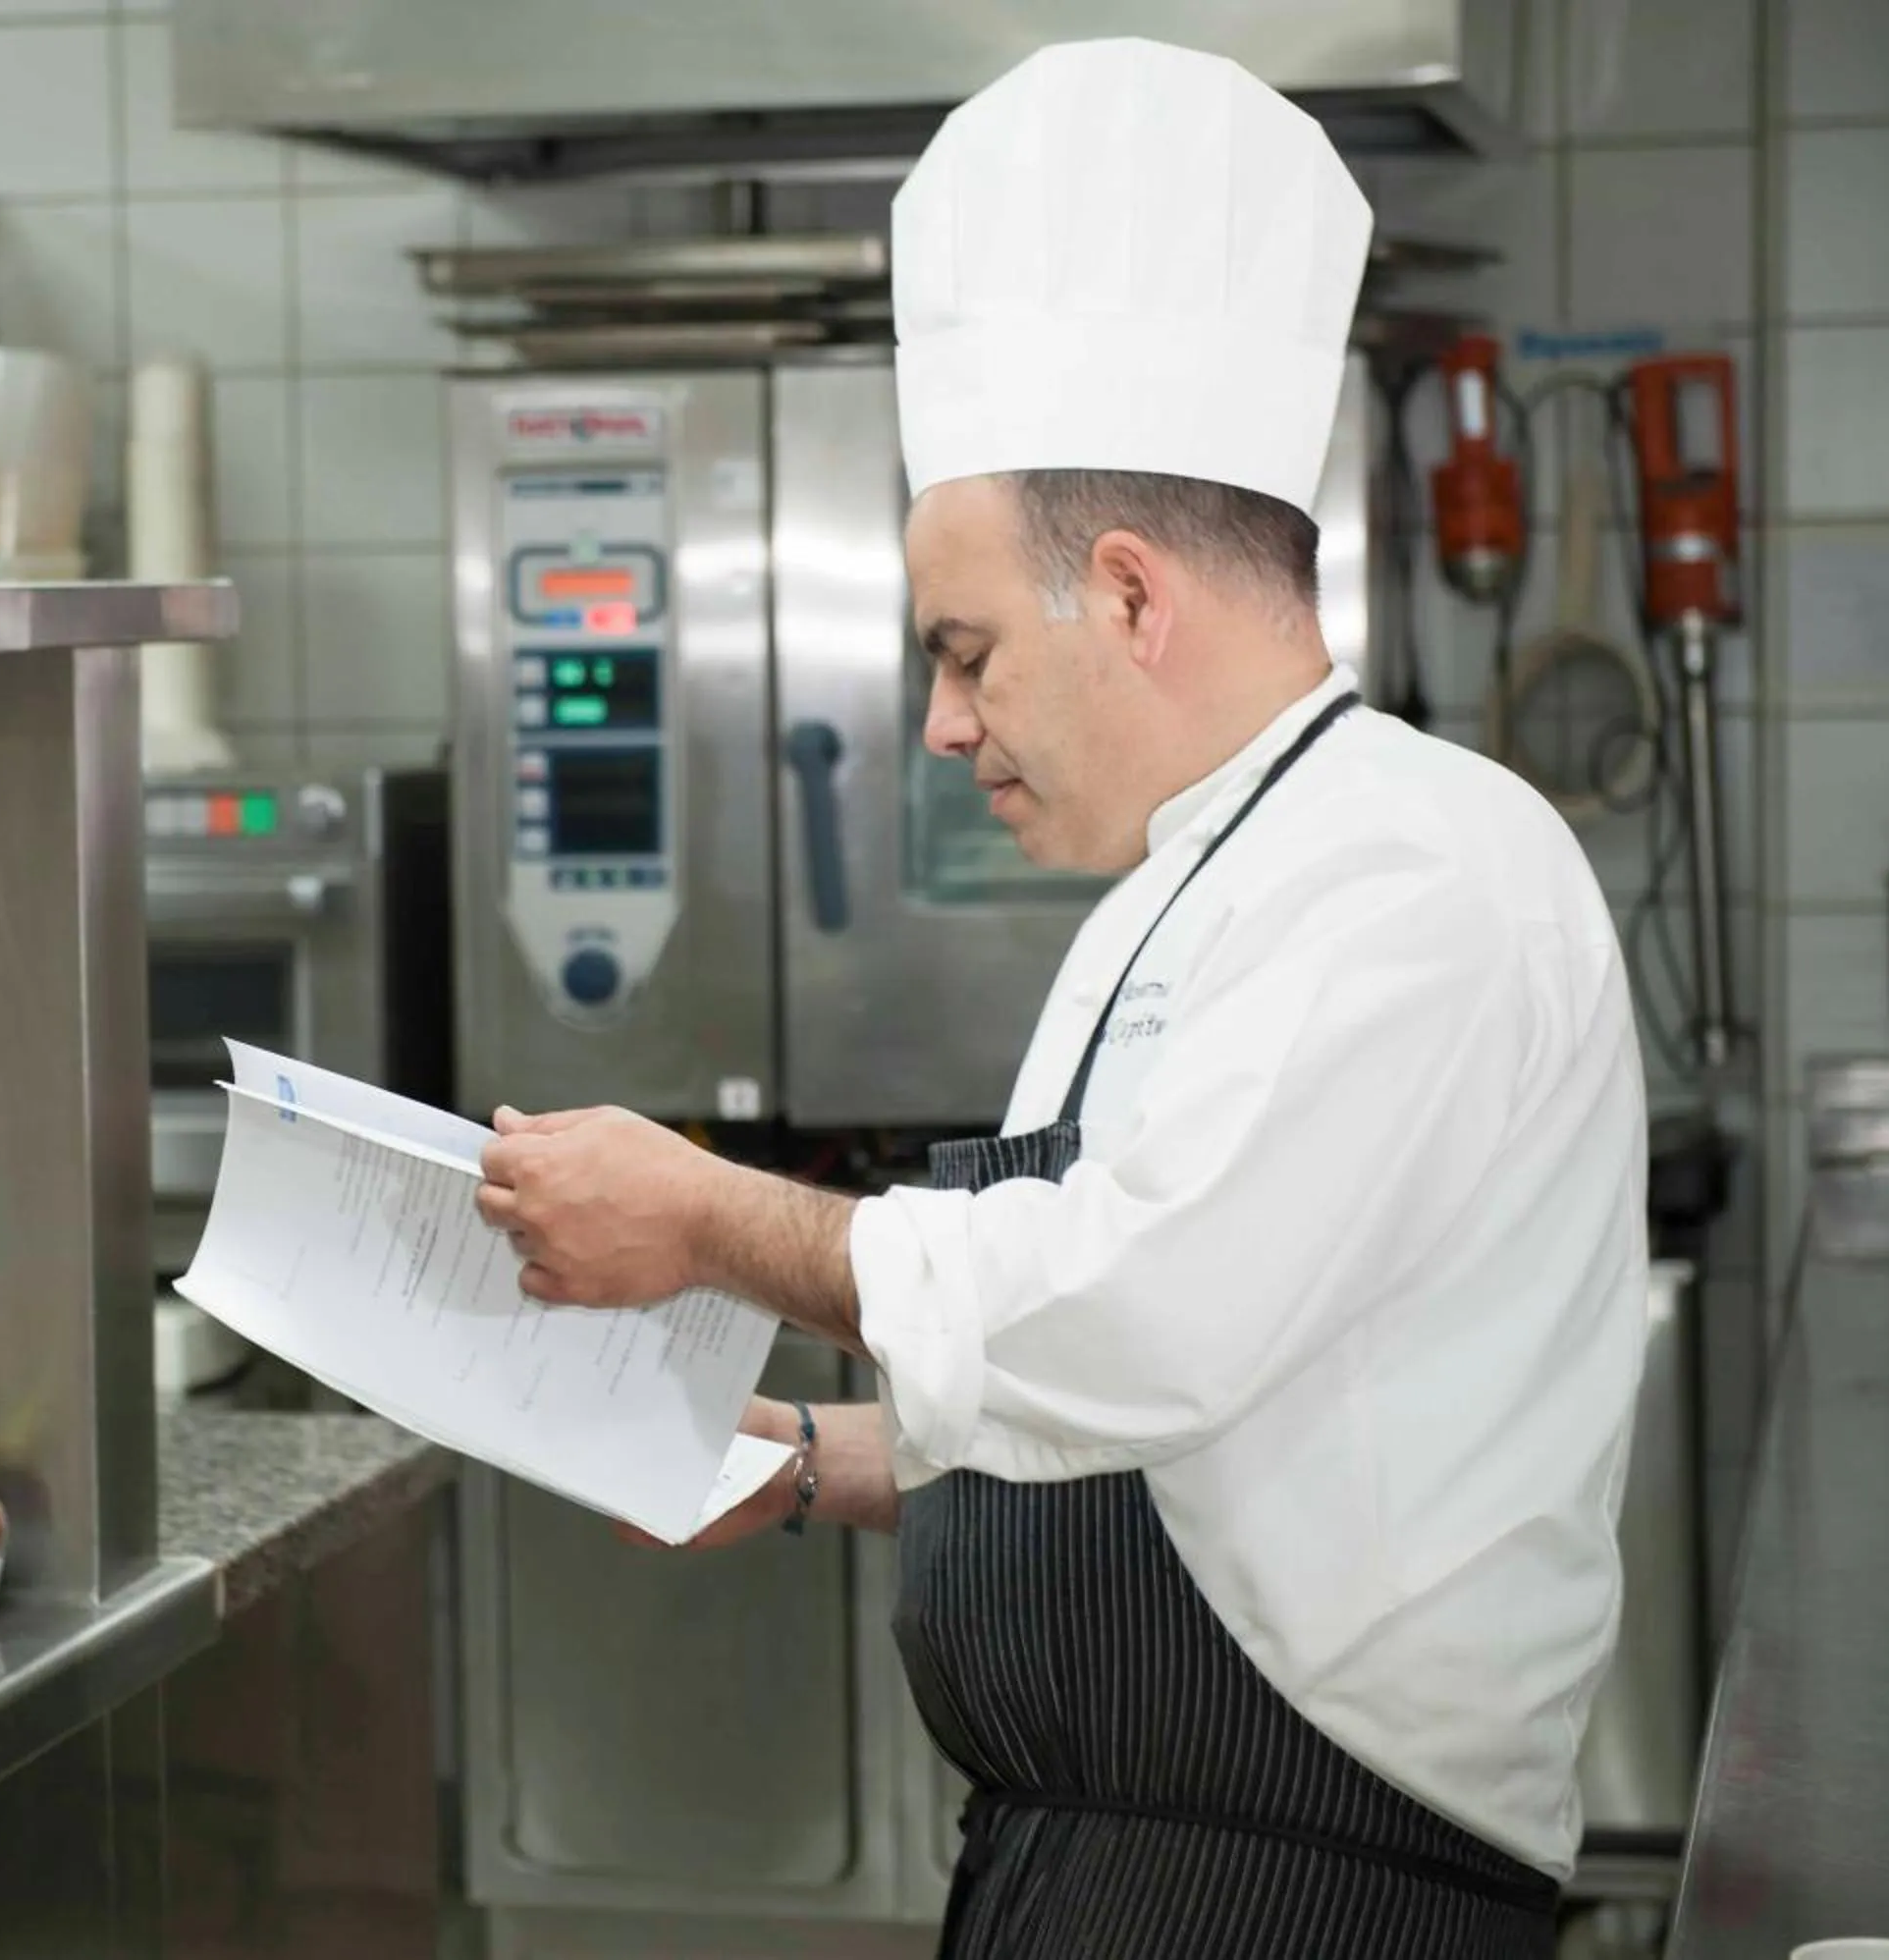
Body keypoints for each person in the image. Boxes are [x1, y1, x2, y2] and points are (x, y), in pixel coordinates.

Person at [474, 36, 1647, 1960]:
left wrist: (698, 1215)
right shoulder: (1180, 886)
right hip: (1118, 1863)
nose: (940, 721)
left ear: (1127, 594)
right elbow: (1164, 1406)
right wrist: (810, 1466)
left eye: (963, 651)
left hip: (1302, 1892)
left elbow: (1134, 1316)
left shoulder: (1416, 872)